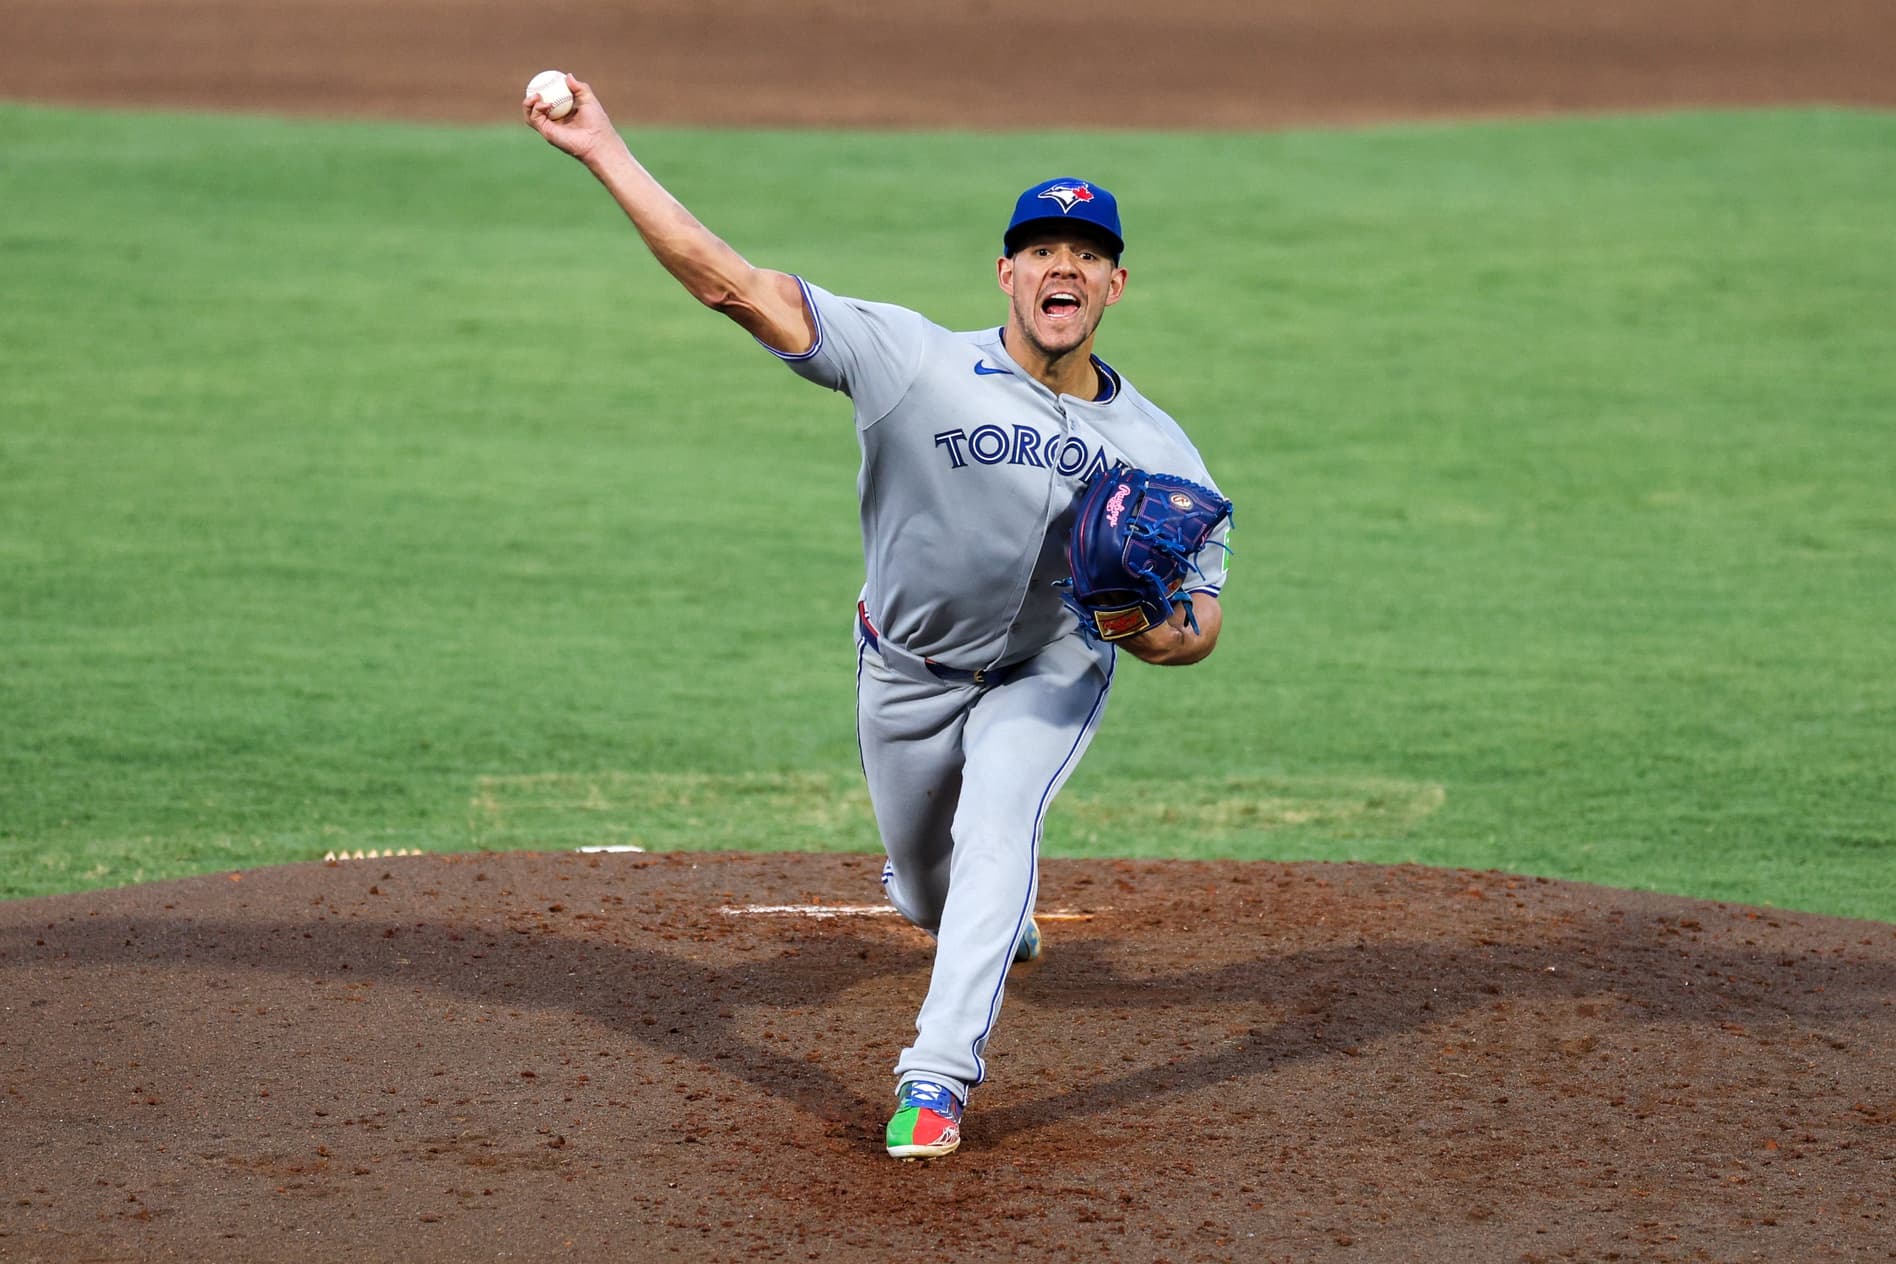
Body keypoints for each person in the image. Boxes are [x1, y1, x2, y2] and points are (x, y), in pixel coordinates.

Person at [524, 74, 1230, 1160]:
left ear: (1115, 283)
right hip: (902, 672)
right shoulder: (913, 362)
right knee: (926, 888)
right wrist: (604, 149)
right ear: (1006, 271)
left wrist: (1138, 624)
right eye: (1043, 247)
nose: (1063, 266)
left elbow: (1202, 626)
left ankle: (935, 1080)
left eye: (1086, 253)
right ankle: (962, 918)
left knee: (1000, 827)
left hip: (1048, 673)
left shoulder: (1163, 451)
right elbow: (729, 285)